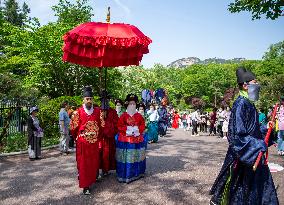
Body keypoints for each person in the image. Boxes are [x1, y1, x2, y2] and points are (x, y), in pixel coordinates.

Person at [209, 67, 278, 205]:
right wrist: (257, 145)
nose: (257, 85)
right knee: (240, 188)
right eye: (255, 82)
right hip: (245, 155)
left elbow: (253, 129)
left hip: (253, 152)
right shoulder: (241, 104)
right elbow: (237, 135)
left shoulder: (249, 103)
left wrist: (265, 129)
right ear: (245, 86)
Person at [70, 86, 102, 195]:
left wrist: (98, 137)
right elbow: (73, 128)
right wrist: (78, 138)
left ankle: (93, 178)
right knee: (84, 164)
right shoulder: (78, 112)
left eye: (90, 99)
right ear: (83, 100)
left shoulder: (98, 111)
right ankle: (85, 185)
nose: (89, 101)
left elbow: (102, 126)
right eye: (87, 99)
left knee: (93, 163)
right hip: (83, 143)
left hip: (94, 143)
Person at [116, 94, 146, 183]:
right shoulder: (123, 115)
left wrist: (137, 130)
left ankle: (136, 173)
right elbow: (119, 126)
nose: (132, 105)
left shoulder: (139, 116)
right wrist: (127, 130)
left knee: (136, 156)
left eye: (133, 104)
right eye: (130, 104)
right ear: (127, 104)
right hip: (126, 139)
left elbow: (142, 125)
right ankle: (125, 174)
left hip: (137, 138)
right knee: (126, 157)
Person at [99, 90, 118, 176]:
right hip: (100, 139)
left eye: (107, 100)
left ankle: (105, 170)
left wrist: (108, 130)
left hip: (109, 138)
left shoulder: (113, 111)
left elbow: (116, 124)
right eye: (103, 100)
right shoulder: (97, 111)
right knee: (99, 155)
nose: (105, 102)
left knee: (108, 154)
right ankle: (97, 172)